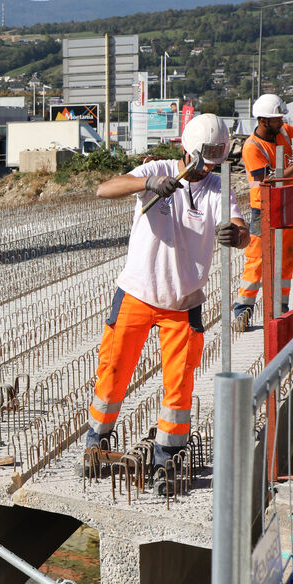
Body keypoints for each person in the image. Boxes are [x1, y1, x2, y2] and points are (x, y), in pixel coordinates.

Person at [84, 114, 249, 494]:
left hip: (183, 302)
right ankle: (97, 439)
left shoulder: (218, 190)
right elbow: (104, 189)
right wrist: (148, 183)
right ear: (187, 149)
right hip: (137, 294)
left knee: (178, 384)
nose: (209, 166)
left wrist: (236, 234)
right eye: (205, 157)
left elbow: (240, 227)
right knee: (113, 372)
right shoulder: (156, 169)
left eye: (217, 157)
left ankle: (167, 456)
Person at [233, 94, 293, 325]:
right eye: (277, 119)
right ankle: (243, 310)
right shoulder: (252, 148)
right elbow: (270, 179)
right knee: (257, 260)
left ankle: (280, 308)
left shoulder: (286, 131)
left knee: (287, 258)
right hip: (264, 208)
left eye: (281, 118)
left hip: (289, 203)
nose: (282, 122)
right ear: (263, 121)